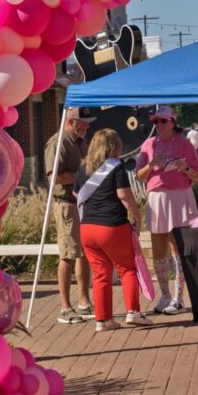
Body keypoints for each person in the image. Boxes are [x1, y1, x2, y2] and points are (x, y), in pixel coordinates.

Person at [74, 129, 154, 332]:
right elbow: (124, 195)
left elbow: (76, 193)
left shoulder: (83, 168)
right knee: (126, 268)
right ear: (113, 146)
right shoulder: (116, 167)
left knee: (100, 275)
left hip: (87, 228)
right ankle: (133, 312)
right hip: (112, 226)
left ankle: (103, 320)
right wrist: (136, 215)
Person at [136, 105, 198, 315]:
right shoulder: (148, 144)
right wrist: (152, 165)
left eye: (163, 121)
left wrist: (185, 168)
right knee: (159, 249)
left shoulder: (184, 144)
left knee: (178, 248)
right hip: (157, 199)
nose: (159, 125)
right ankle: (164, 295)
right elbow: (139, 175)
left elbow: (197, 175)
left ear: (173, 123)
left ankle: (179, 297)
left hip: (180, 198)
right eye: (156, 121)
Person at [45, 107, 95, 324]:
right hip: (66, 205)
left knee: (83, 253)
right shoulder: (58, 142)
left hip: (81, 203)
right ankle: (65, 307)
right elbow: (53, 177)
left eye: (87, 123)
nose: (86, 126)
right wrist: (83, 177)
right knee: (67, 254)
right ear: (70, 121)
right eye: (81, 123)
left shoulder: (79, 141)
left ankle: (84, 301)